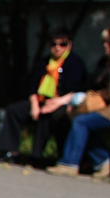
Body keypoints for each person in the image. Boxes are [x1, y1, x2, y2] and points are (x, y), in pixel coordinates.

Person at [0, 27, 88, 166]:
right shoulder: (44, 62)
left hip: (63, 103)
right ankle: (8, 151)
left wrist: (56, 103)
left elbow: (78, 90)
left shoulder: (75, 63)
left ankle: (37, 156)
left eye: (62, 44)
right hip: (41, 100)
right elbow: (32, 86)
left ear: (69, 45)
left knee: (49, 116)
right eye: (53, 44)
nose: (57, 48)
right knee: (13, 110)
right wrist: (34, 105)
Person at [46, 27, 110, 178]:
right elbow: (92, 83)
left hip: (105, 109)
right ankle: (104, 162)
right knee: (78, 119)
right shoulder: (104, 63)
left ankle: (70, 164)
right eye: (105, 42)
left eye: (108, 42)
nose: (105, 45)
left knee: (82, 122)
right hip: (102, 107)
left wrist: (94, 96)